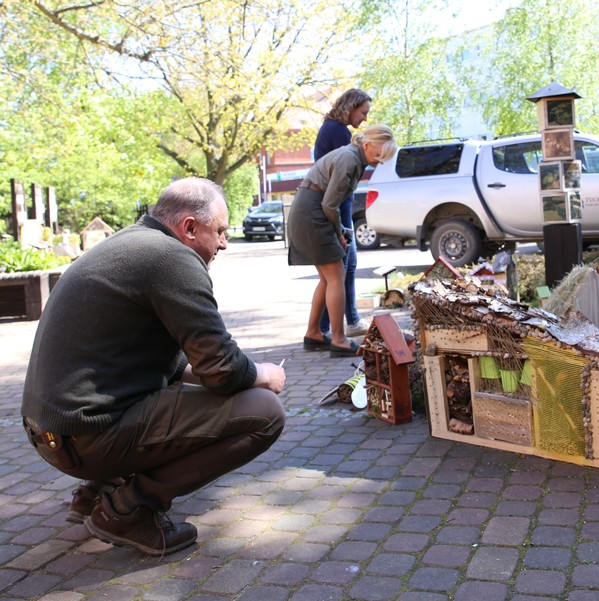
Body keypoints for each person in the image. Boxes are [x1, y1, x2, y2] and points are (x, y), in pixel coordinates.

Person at [21, 177, 286, 556]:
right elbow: (222, 369)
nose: (225, 243)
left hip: (51, 433)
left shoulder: (129, 245)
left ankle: (96, 492)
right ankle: (128, 509)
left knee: (178, 392)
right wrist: (265, 375)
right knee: (265, 412)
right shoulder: (172, 258)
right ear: (190, 227)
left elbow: (183, 367)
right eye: (221, 231)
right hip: (84, 439)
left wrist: (233, 374)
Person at [288, 124, 397, 358]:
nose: (379, 162)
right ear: (366, 145)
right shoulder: (349, 159)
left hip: (309, 211)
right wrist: (339, 233)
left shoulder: (352, 157)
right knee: (337, 275)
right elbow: (329, 204)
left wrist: (340, 229)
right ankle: (338, 339)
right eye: (378, 156)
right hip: (313, 214)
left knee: (328, 279)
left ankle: (314, 334)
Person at [315, 88, 372, 338]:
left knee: (346, 266)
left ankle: (344, 322)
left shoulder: (335, 129)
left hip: (339, 202)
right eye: (364, 112)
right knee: (342, 267)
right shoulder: (338, 132)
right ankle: (330, 327)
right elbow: (341, 174)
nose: (365, 118)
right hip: (337, 204)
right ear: (351, 107)